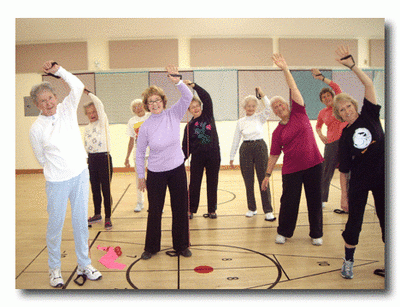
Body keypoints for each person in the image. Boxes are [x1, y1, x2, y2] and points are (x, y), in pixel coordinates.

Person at [29, 61, 102, 288]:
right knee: (56, 226)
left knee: (81, 222)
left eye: (50, 98)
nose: (48, 103)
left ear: (55, 96)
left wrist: (58, 71)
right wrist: (58, 169)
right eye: (43, 101)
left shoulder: (67, 108)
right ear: (37, 105)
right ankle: (54, 269)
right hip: (57, 182)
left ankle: (84, 264)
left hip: (80, 175)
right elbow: (41, 158)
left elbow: (78, 85)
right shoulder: (36, 129)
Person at [332, 46, 385, 279]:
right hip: (359, 182)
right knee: (354, 223)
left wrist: (353, 65)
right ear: (339, 115)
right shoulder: (344, 137)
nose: (347, 111)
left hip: (384, 177)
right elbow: (344, 171)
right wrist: (344, 196)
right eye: (342, 110)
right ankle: (348, 262)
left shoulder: (369, 115)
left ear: (354, 105)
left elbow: (369, 85)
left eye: (349, 106)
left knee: (388, 221)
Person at [261, 54, 324, 245]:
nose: (278, 108)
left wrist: (285, 69)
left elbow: (293, 87)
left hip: (314, 164)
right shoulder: (278, 132)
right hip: (291, 171)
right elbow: (273, 155)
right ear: (274, 112)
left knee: (314, 200)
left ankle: (316, 234)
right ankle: (284, 232)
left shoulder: (299, 111)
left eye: (281, 104)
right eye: (275, 107)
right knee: (289, 202)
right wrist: (267, 175)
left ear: (287, 105)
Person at [136, 65, 193, 260]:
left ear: (163, 101)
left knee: (179, 209)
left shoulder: (173, 114)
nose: (154, 104)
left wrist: (177, 81)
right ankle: (151, 247)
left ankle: (182, 245)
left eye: (157, 100)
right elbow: (140, 152)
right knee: (155, 212)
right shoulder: (145, 127)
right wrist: (141, 177)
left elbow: (187, 97)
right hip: (156, 173)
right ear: (146, 105)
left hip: (176, 169)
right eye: (150, 102)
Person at [230, 89, 275, 221]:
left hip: (260, 147)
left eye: (253, 106)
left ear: (256, 107)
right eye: (248, 106)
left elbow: (269, 107)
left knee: (263, 179)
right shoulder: (240, 122)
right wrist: (232, 157)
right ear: (244, 107)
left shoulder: (260, 117)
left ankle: (268, 210)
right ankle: (252, 208)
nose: (251, 108)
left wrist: (262, 95)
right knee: (248, 180)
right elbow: (236, 139)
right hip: (245, 149)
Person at [182, 81, 221, 219]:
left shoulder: (208, 115)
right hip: (197, 158)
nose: (195, 108)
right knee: (194, 184)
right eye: (192, 107)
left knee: (212, 183)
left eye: (197, 105)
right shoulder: (189, 126)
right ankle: (191, 210)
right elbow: (185, 149)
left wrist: (194, 86)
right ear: (189, 110)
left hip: (213, 156)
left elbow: (207, 97)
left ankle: (212, 210)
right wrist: (179, 161)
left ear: (201, 106)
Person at [312, 69, 348, 212]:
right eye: (324, 98)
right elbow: (318, 126)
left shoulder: (339, 104)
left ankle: (348, 200)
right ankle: (321, 199)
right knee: (326, 172)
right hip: (331, 144)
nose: (327, 98)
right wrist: (320, 135)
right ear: (322, 101)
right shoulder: (322, 113)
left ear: (333, 97)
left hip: (345, 142)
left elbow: (336, 87)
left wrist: (322, 78)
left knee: (347, 172)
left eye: (328, 96)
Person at [83, 90, 113, 230]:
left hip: (104, 158)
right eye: (89, 112)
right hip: (92, 160)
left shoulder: (102, 123)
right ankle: (97, 214)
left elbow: (100, 104)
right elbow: (86, 147)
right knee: (95, 189)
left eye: (94, 111)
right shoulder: (87, 128)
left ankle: (108, 217)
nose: (92, 114)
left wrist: (88, 93)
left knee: (105, 189)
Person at [124, 99, 151, 212]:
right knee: (139, 179)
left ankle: (154, 204)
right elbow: (131, 140)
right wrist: (127, 157)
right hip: (138, 154)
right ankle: (140, 203)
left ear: (144, 105)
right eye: (135, 107)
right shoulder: (131, 121)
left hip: (153, 153)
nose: (138, 108)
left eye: (140, 105)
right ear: (133, 110)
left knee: (153, 179)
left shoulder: (151, 116)